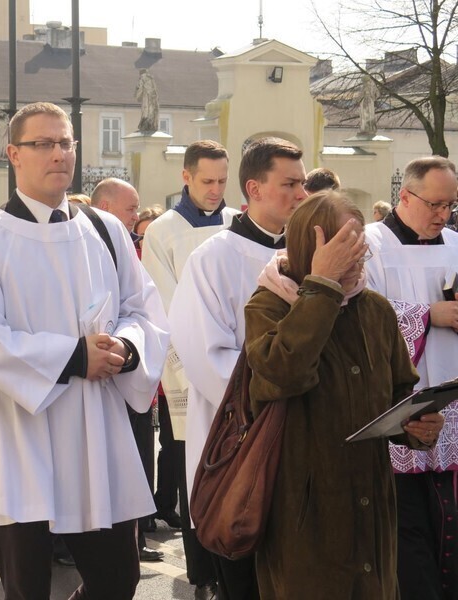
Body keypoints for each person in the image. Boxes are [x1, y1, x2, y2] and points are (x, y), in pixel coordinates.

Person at [0, 101, 169, 600]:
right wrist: (73, 358)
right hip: (22, 435)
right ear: (14, 154)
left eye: (66, 142)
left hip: (97, 434)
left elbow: (144, 310)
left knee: (117, 581)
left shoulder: (104, 230)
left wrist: (127, 350)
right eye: (43, 143)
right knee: (28, 589)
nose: (58, 154)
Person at [246, 190, 443, 598]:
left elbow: (398, 392)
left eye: (360, 251)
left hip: (372, 509)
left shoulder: (373, 309)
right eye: (343, 251)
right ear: (310, 248)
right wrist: (322, 286)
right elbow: (284, 374)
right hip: (305, 512)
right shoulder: (270, 304)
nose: (356, 262)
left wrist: (417, 426)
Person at [169, 137, 309, 600]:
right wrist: (284, 385)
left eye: (303, 183)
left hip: (307, 440)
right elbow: (204, 354)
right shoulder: (212, 258)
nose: (301, 194)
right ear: (255, 188)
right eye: (289, 184)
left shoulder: (312, 256)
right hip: (243, 443)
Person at [141, 139, 239, 599]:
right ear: (186, 177)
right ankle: (202, 568)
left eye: (222, 180)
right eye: (207, 181)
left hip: (238, 364)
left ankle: (234, 560)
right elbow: (164, 304)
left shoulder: (238, 223)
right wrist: (192, 366)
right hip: (190, 369)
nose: (216, 189)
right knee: (193, 468)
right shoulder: (162, 231)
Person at [364, 156, 458, 600]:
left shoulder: (456, 244)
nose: (443, 215)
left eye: (450, 206)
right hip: (398, 404)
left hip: (452, 401)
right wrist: (427, 315)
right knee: (408, 528)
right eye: (435, 204)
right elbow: (361, 318)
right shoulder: (371, 245)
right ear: (405, 195)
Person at [95, 181, 164, 563]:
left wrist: (129, 347)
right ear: (105, 206)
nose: (136, 216)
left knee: (136, 467)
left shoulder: (126, 249)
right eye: (130, 208)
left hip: (131, 376)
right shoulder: (90, 246)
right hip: (96, 381)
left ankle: (133, 540)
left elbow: (141, 310)